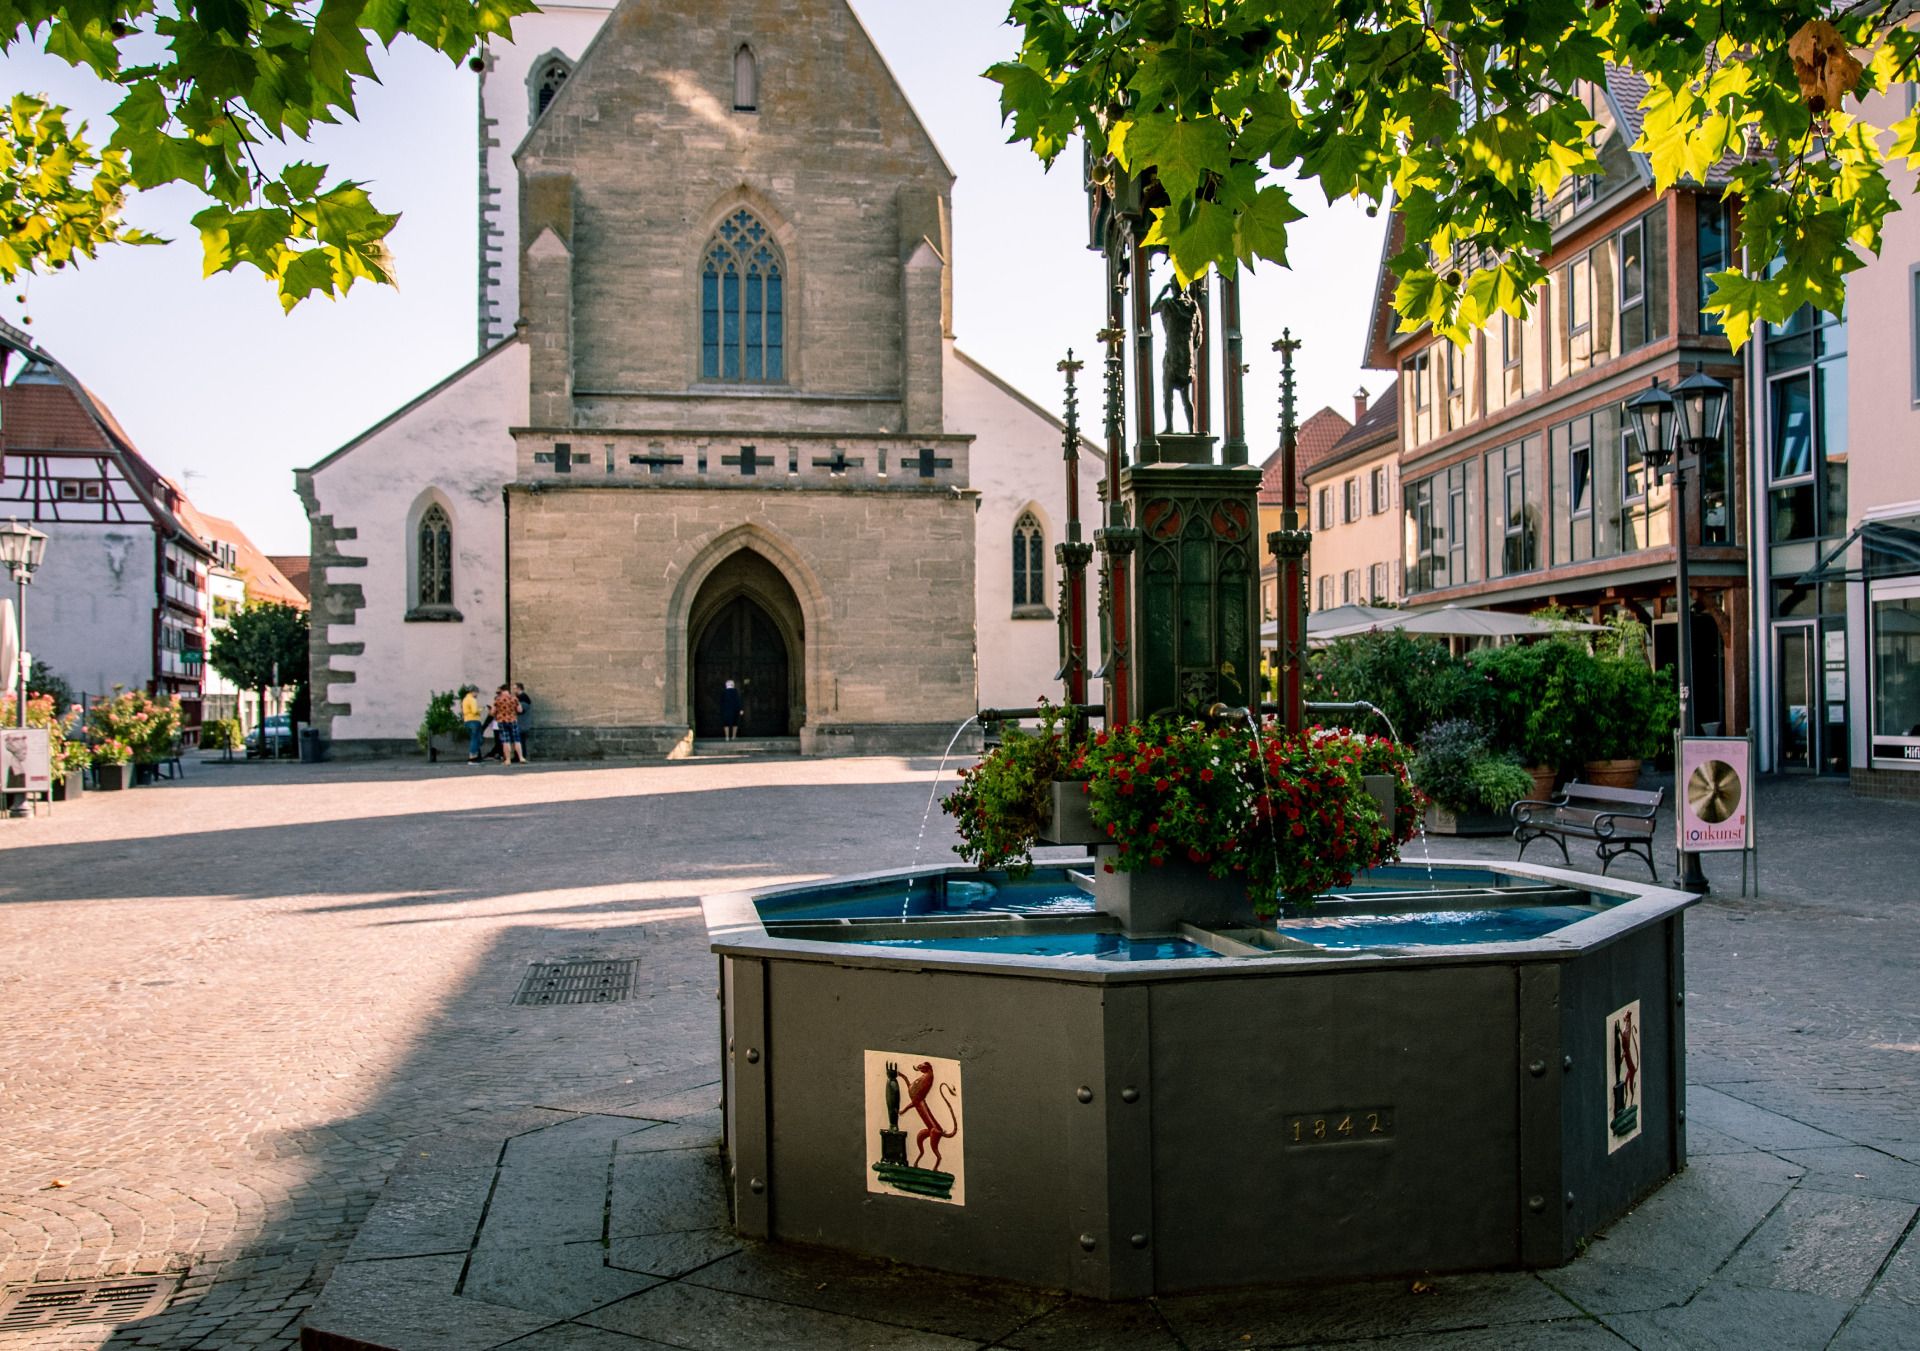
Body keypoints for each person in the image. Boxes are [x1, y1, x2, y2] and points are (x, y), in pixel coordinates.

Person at [490, 683, 526, 764]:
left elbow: (492, 712)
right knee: (517, 740)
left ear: (502, 690)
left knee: (506, 741)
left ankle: (508, 759)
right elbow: (520, 710)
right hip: (513, 720)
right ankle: (521, 757)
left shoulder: (498, 699)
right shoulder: (514, 698)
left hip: (502, 721)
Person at [459, 685, 485, 764]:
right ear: (474, 692)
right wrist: (481, 709)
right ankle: (472, 757)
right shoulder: (472, 699)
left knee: (475, 739)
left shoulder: (465, 699)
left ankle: (474, 756)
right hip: (474, 720)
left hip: (467, 721)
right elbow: (474, 711)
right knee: (476, 739)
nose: (477, 694)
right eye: (476, 692)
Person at [514, 682, 533, 760]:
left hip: (522, 722)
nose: (513, 690)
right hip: (522, 722)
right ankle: (519, 756)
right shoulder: (521, 697)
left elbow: (521, 710)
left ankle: (520, 756)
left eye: (514, 688)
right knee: (520, 740)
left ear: (519, 688)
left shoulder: (523, 698)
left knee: (520, 740)